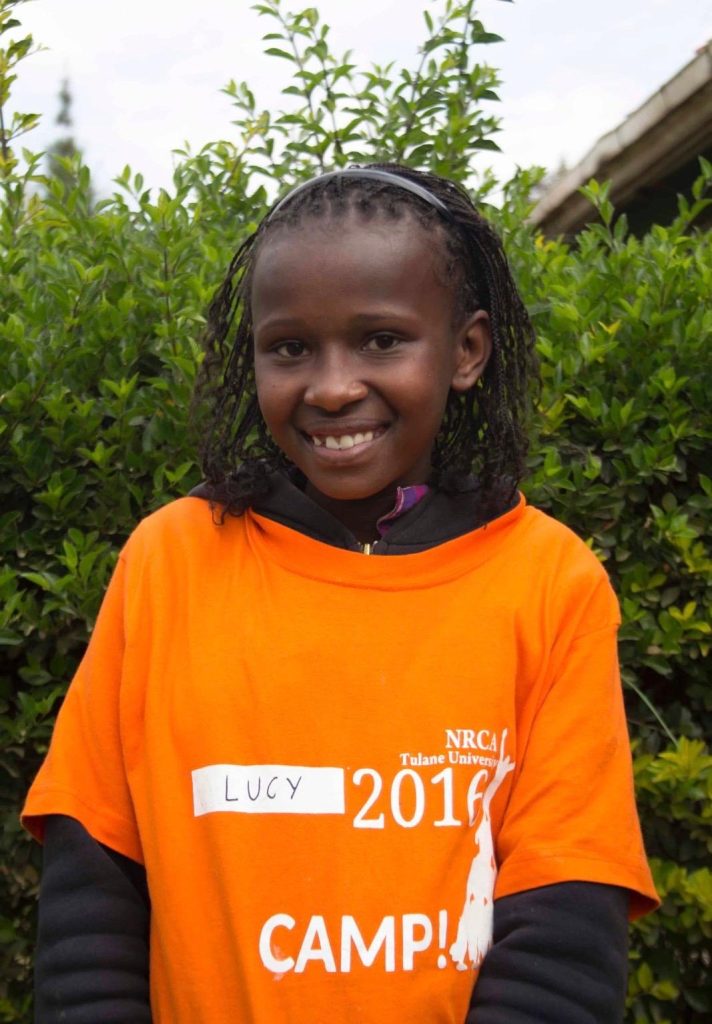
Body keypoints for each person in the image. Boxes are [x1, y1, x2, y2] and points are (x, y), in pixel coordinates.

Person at [23, 164, 658, 1023]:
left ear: (467, 351)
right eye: (290, 348)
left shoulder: (551, 583)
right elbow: (90, 898)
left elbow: (566, 925)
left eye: (381, 340)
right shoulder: (168, 563)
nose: (330, 386)